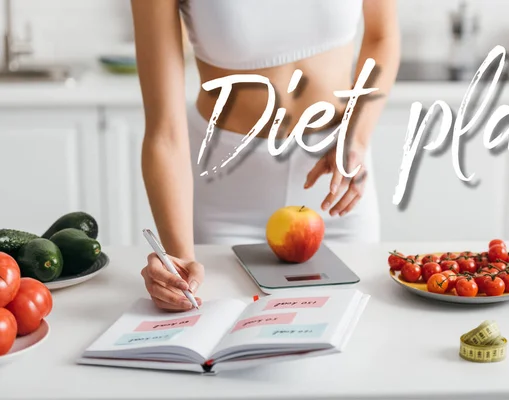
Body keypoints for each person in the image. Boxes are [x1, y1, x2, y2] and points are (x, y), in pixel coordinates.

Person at [130, 0, 400, 311]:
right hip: (226, 196)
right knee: (215, 335)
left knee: (353, 335)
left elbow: (383, 37)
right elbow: (164, 133)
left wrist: (357, 138)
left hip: (336, 184)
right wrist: (179, 261)